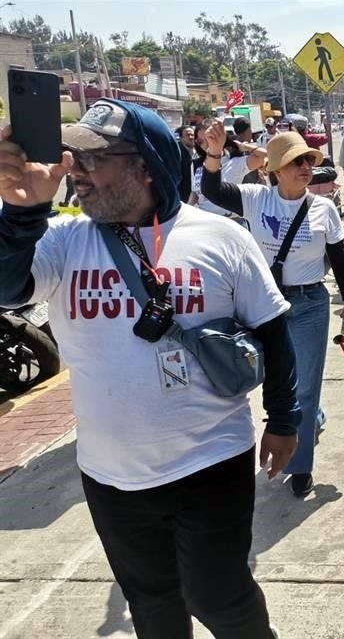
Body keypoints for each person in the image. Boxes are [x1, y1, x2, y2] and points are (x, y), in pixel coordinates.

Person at [0, 98, 299, 637]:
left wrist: (284, 417)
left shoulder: (220, 237)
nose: (77, 172)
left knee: (221, 599)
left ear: (144, 166)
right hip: (110, 476)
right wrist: (22, 212)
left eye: (94, 159)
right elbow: (4, 288)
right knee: (153, 605)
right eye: (74, 158)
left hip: (211, 461)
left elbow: (273, 329)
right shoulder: (64, 240)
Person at [202, 122, 344, 497]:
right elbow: (212, 189)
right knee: (271, 382)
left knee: (304, 389)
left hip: (308, 305)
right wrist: (213, 153)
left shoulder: (324, 209)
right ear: (274, 171)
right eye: (294, 162)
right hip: (264, 305)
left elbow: (338, 259)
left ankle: (301, 465)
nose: (305, 167)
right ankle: (302, 422)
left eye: (308, 160)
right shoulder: (257, 199)